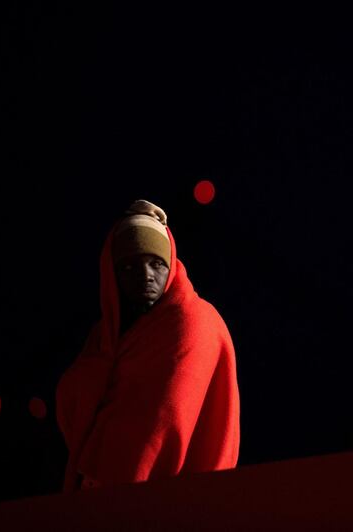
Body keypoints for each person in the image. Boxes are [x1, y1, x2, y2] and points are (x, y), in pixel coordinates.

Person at [55, 199, 240, 492]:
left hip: (164, 499)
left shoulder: (194, 321)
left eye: (157, 263)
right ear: (112, 275)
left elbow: (165, 421)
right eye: (129, 266)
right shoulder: (105, 335)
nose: (145, 276)